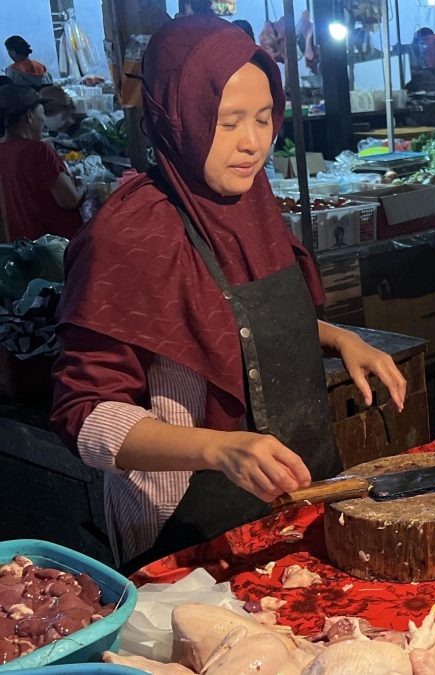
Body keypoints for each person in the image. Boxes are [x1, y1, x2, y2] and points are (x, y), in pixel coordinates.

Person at [50, 17, 408, 569]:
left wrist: (337, 339)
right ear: (178, 118)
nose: (252, 143)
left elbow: (223, 322)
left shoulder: (251, 204)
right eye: (226, 122)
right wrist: (215, 448)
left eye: (264, 119)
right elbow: (87, 416)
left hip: (299, 492)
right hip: (189, 527)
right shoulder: (130, 234)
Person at [0, 85, 84, 241]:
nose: (44, 120)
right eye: (43, 113)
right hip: (55, 247)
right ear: (29, 117)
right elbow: (69, 200)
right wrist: (82, 187)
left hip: (22, 248)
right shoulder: (39, 151)